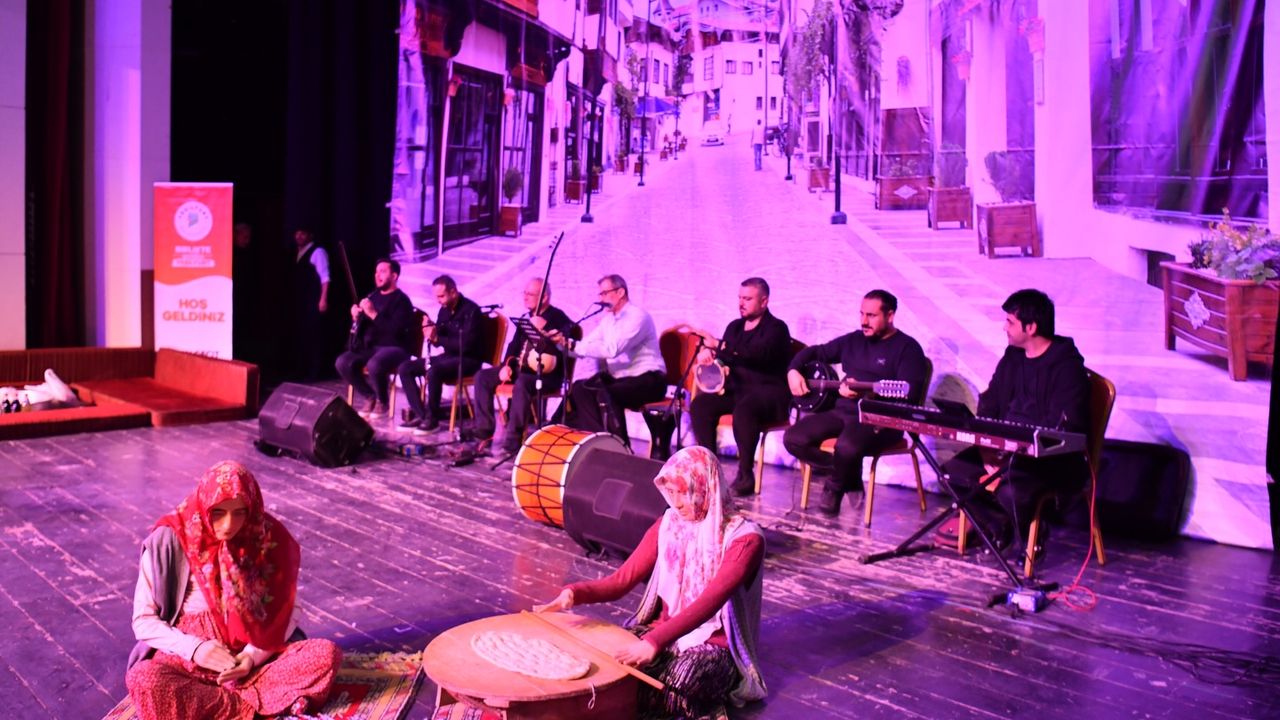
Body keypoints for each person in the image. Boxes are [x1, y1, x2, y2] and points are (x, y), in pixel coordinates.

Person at [533, 446, 767, 720]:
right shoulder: (668, 524)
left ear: (706, 487)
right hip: (663, 631)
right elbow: (622, 579)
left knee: (675, 684)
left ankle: (700, 704)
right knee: (608, 667)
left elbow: (709, 603)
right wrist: (573, 594)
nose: (676, 503)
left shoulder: (744, 539)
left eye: (683, 493)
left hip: (713, 642)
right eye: (671, 493)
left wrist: (653, 642)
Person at [124, 461, 341, 719]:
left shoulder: (263, 536)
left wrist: (251, 656)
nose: (228, 525)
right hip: (188, 660)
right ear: (204, 504)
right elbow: (144, 621)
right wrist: (196, 649)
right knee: (144, 679)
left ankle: (216, 706)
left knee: (325, 655)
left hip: (249, 661)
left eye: (239, 512)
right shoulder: (169, 540)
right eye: (218, 512)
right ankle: (254, 705)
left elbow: (287, 610)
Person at [943, 289, 1090, 551]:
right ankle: (998, 525)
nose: (1004, 328)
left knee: (1010, 491)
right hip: (1004, 449)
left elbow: (1061, 431)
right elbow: (990, 403)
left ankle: (1030, 542)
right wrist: (987, 450)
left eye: (1010, 322)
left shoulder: (1067, 367)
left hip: (1047, 460)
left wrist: (1009, 457)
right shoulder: (1012, 357)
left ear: (1031, 327)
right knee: (951, 473)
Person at [782, 289, 928, 516]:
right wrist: (793, 370)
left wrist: (865, 393)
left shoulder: (908, 348)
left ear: (890, 316)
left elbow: (910, 394)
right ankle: (848, 474)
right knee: (794, 439)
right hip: (843, 411)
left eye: (871, 315)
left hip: (882, 419)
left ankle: (834, 487)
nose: (864, 321)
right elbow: (816, 352)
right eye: (861, 314)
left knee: (847, 447)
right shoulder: (854, 340)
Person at [689, 278, 793, 496]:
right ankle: (710, 470)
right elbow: (725, 360)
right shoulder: (734, 327)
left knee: (745, 409)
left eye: (747, 299)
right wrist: (710, 357)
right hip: (738, 390)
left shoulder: (777, 329)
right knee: (701, 405)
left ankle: (745, 475)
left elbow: (757, 355)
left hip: (768, 393)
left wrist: (720, 345)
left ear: (764, 301)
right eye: (740, 298)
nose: (741, 303)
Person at [550, 274, 667, 447]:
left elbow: (612, 350)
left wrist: (573, 345)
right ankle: (595, 439)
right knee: (580, 388)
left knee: (607, 393)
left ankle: (620, 447)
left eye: (605, 293)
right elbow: (586, 346)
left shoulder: (637, 316)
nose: (601, 299)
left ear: (620, 292)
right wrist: (562, 343)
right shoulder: (608, 321)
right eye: (600, 294)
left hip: (649, 379)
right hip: (622, 380)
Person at [470, 278, 573, 454]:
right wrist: (506, 365)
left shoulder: (558, 317)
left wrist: (547, 329)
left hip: (546, 376)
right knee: (482, 377)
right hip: (521, 370)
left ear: (544, 298)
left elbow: (570, 336)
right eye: (524, 293)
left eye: (530, 294)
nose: (525, 297)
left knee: (523, 382)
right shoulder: (526, 318)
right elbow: (513, 347)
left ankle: (512, 441)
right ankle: (483, 433)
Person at [397, 274, 485, 433]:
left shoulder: (472, 311)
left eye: (441, 296)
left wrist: (438, 338)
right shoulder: (444, 310)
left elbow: (466, 345)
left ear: (453, 292)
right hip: (449, 357)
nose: (439, 300)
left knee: (434, 371)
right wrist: (430, 331)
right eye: (436, 297)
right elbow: (439, 340)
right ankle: (423, 416)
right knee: (405, 368)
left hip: (468, 359)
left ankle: (432, 419)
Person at [335, 258, 416, 418]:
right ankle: (369, 396)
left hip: (395, 347)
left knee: (375, 363)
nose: (377, 275)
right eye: (376, 272)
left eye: (383, 271)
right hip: (371, 347)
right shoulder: (372, 297)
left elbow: (395, 332)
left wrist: (373, 314)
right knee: (342, 362)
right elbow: (361, 328)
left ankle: (382, 401)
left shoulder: (402, 301)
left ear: (394, 276)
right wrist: (356, 318)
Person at [291, 228, 330, 381]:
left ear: (310, 235)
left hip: (313, 300)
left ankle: (314, 373)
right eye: (297, 233)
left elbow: (325, 277)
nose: (299, 236)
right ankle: (301, 370)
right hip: (301, 301)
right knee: (302, 335)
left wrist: (323, 299)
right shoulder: (297, 252)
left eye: (303, 233)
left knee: (313, 336)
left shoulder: (317, 252)